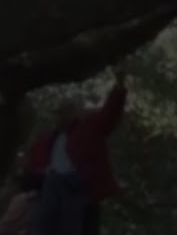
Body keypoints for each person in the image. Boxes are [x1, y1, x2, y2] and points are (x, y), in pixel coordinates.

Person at [24, 69, 128, 235]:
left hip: (80, 192)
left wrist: (119, 88)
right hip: (51, 195)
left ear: (75, 112)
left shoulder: (89, 129)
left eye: (65, 111)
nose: (60, 116)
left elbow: (110, 115)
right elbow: (32, 166)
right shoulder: (46, 140)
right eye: (58, 113)